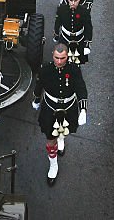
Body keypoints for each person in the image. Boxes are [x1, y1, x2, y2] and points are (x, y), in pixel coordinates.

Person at [32, 43, 88, 185]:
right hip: (51, 107)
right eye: (56, 57)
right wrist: (37, 99)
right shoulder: (46, 69)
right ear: (53, 55)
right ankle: (53, 164)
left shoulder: (74, 69)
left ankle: (61, 138)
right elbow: (40, 85)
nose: (59, 61)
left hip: (69, 106)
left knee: (65, 131)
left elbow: (81, 87)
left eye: (62, 58)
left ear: (67, 56)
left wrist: (83, 109)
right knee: (50, 137)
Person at [54, 0, 92, 65]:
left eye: (75, 1)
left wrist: (87, 42)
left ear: (79, 0)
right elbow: (57, 22)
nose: (73, 3)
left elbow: (88, 27)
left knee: (80, 60)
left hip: (79, 38)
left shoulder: (84, 11)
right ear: (68, 0)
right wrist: (56, 34)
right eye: (71, 1)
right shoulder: (61, 9)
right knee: (61, 58)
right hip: (65, 38)